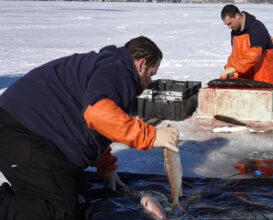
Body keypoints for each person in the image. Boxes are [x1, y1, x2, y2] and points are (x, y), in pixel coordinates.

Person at [0, 36, 179, 220]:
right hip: (21, 131)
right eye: (151, 73)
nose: (150, 81)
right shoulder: (117, 71)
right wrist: (151, 136)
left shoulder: (112, 66)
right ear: (141, 64)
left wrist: (105, 164)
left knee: (80, 194)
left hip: (36, 132)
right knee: (59, 210)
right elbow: (97, 114)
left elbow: (95, 127)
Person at [220, 4, 273, 108]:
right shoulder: (234, 32)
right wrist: (229, 67)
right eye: (226, 25)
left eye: (230, 23)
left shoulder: (256, 27)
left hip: (265, 78)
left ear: (237, 16)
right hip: (247, 76)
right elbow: (234, 55)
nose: (229, 27)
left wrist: (234, 68)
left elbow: (255, 54)